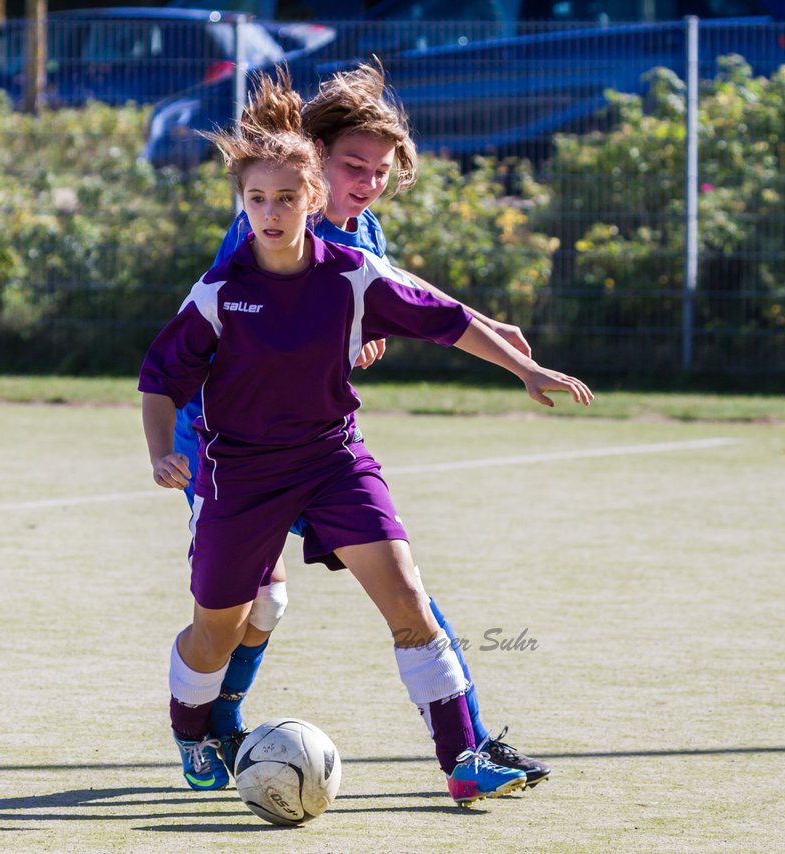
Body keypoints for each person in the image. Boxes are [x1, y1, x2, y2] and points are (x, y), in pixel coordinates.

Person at [139, 72, 593, 805]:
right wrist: (166, 446)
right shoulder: (263, 233)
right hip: (225, 449)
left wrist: (507, 352)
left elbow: (402, 298)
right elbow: (219, 344)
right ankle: (209, 723)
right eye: (354, 166)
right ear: (311, 163)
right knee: (255, 609)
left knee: (402, 589)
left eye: (382, 172)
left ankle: (465, 750)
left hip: (322, 449)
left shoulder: (358, 238)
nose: (369, 183)